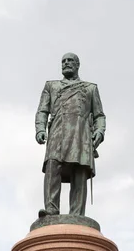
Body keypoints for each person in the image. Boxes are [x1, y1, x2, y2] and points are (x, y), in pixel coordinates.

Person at [35, 53, 106, 218]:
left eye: (70, 61)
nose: (66, 63)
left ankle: (77, 214)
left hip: (81, 135)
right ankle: (51, 209)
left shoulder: (90, 88)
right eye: (63, 61)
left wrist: (99, 131)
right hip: (57, 132)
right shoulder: (51, 86)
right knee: (52, 165)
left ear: (77, 65)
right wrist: (40, 129)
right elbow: (42, 111)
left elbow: (99, 115)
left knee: (79, 172)